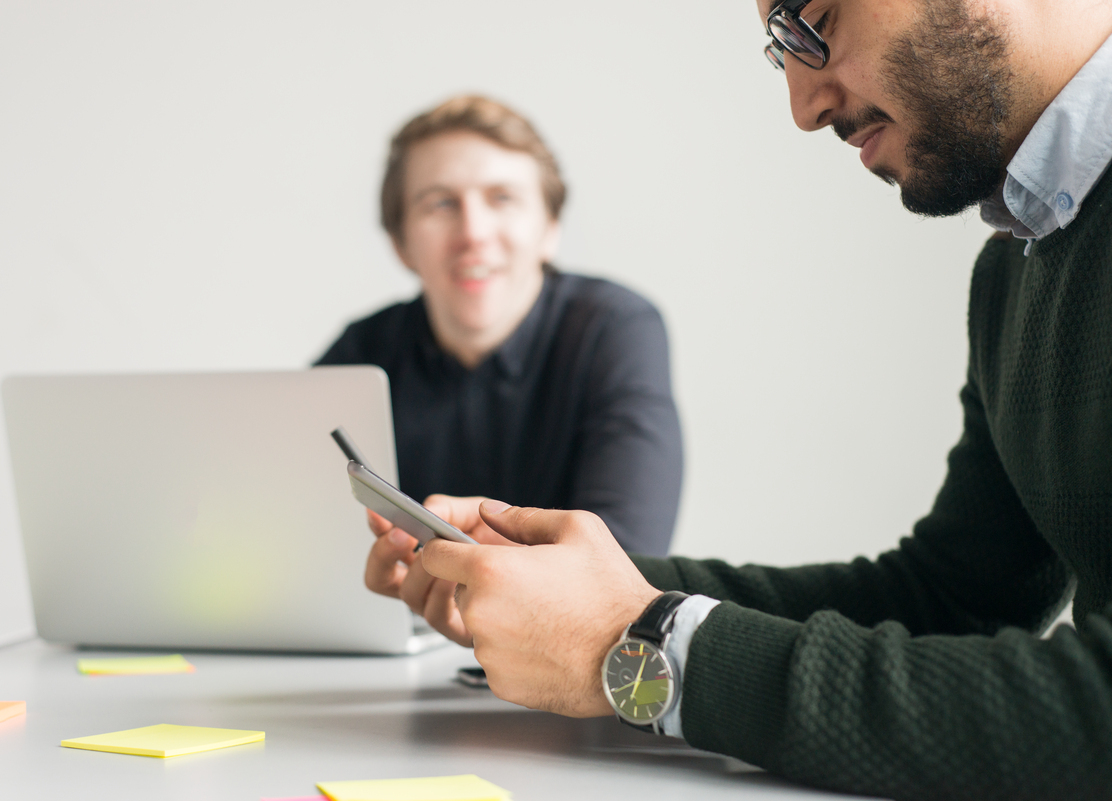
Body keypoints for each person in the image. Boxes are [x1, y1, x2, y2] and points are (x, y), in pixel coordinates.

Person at [362, 2, 1112, 799]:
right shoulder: (1017, 267)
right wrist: (559, 590)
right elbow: (952, 596)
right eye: (780, 46)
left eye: (815, 18)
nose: (802, 104)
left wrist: (644, 646)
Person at [317, 95, 682, 557]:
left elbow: (627, 559)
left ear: (550, 229)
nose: (473, 232)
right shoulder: (361, 352)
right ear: (401, 244)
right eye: (440, 203)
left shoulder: (613, 329)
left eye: (502, 198)